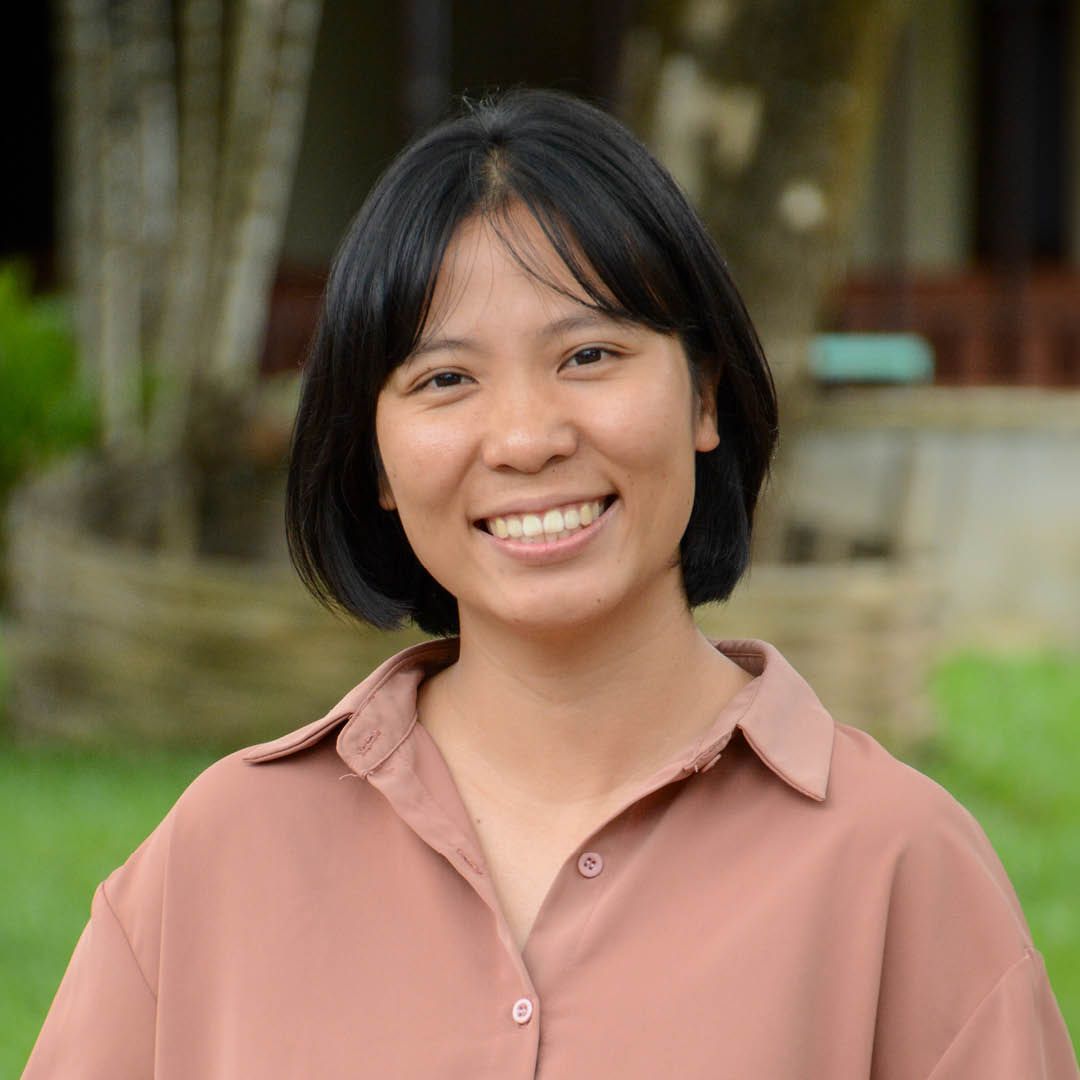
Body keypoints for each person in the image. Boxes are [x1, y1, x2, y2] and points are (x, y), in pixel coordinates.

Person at [25, 89, 1077, 1079]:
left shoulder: (898, 863)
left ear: (703, 397)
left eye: (588, 356)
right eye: (445, 380)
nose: (526, 437)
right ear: (378, 462)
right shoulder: (223, 857)